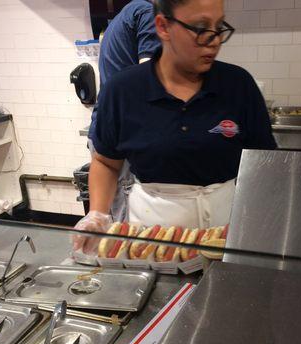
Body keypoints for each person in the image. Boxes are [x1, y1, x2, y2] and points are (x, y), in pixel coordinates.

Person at [74, 0, 276, 254]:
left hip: (225, 234)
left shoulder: (238, 85)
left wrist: (264, 224)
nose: (214, 39)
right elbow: (105, 162)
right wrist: (97, 214)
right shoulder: (123, 90)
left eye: (218, 26)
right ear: (163, 26)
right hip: (152, 242)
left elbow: (264, 165)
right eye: (201, 27)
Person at [88, 0, 160, 222]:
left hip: (106, 128)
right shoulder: (147, 13)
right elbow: (146, 77)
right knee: (125, 218)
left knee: (115, 212)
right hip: (124, 134)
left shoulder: (125, 14)